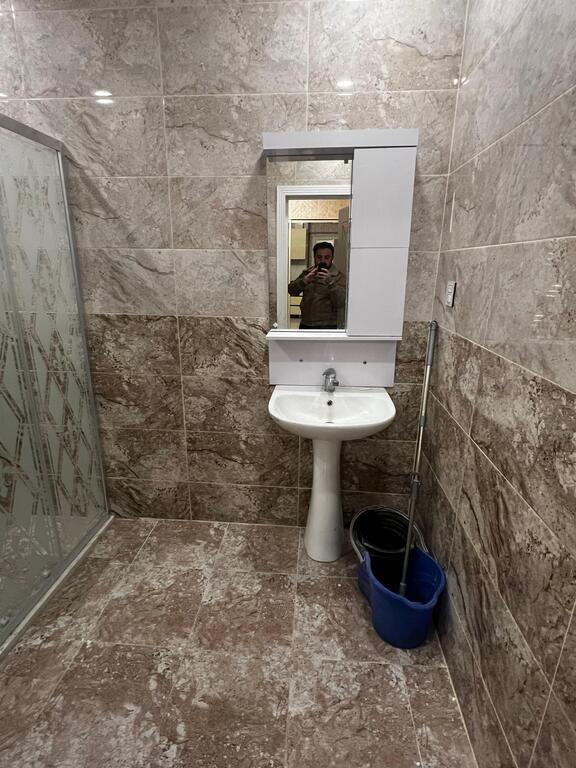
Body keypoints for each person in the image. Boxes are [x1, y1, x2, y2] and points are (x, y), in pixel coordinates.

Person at [288, 242, 347, 329]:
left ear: (332, 258)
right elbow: (291, 291)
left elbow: (341, 302)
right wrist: (305, 280)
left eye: (327, 257)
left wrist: (330, 282)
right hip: (305, 323)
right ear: (314, 257)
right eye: (319, 257)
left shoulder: (338, 276)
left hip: (327, 325)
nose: (322, 261)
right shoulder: (307, 273)